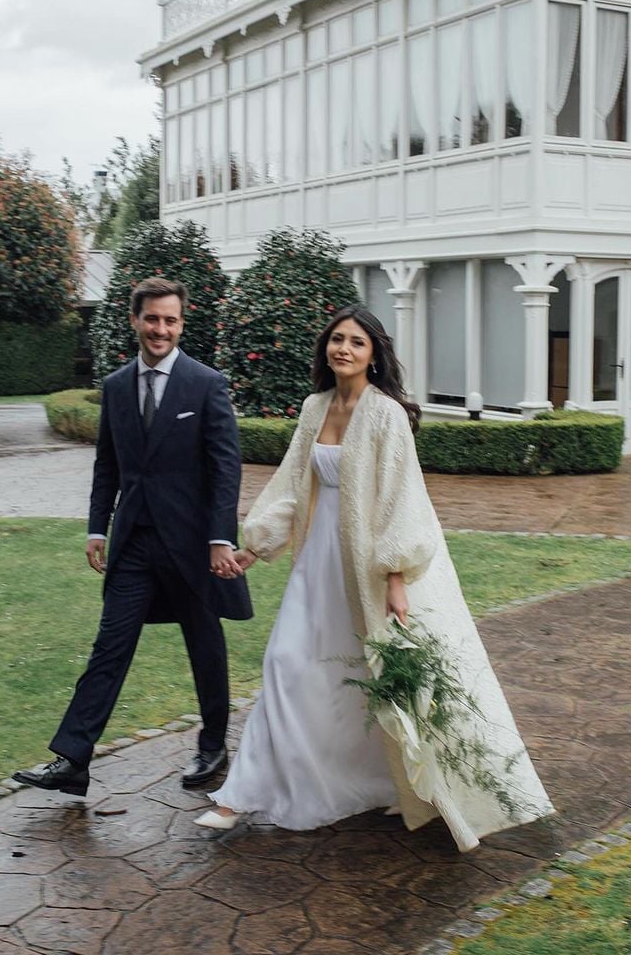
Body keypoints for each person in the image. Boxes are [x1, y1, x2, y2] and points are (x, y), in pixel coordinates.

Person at [194, 305, 553, 851]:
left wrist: (396, 576)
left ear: (373, 353)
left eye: (356, 342)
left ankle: (392, 782)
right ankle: (238, 795)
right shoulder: (315, 407)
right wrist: (256, 545)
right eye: (336, 339)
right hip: (316, 562)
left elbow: (401, 498)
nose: (343, 349)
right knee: (287, 662)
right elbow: (294, 484)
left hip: (366, 569)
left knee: (366, 677)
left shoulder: (386, 414)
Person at [13, 277, 251, 797]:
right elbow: (108, 465)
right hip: (134, 544)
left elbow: (225, 468)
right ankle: (73, 757)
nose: (160, 328)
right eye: (152, 318)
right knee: (110, 646)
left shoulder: (206, 383)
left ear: (181, 323)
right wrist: (98, 526)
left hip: (191, 545)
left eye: (170, 319)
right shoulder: (118, 385)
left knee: (204, 644)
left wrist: (219, 538)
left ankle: (213, 744)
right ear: (134, 320)